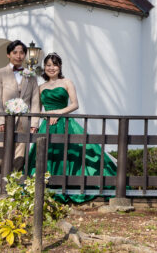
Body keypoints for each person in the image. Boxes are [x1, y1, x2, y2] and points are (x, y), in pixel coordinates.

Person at [27, 53, 117, 203]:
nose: (51, 68)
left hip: (65, 123)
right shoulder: (40, 87)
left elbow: (75, 104)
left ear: (60, 66)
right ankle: (46, 189)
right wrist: (42, 119)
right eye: (48, 65)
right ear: (44, 67)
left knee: (71, 153)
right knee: (46, 154)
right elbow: (36, 109)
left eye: (55, 65)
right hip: (47, 125)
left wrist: (58, 113)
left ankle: (70, 186)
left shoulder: (67, 82)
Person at [0, 40, 40, 172]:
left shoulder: (31, 76)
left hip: (23, 123)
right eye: (15, 52)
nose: (19, 56)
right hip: (4, 122)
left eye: (22, 53)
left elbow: (35, 101)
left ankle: (13, 190)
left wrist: (34, 123)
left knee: (19, 158)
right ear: (8, 55)